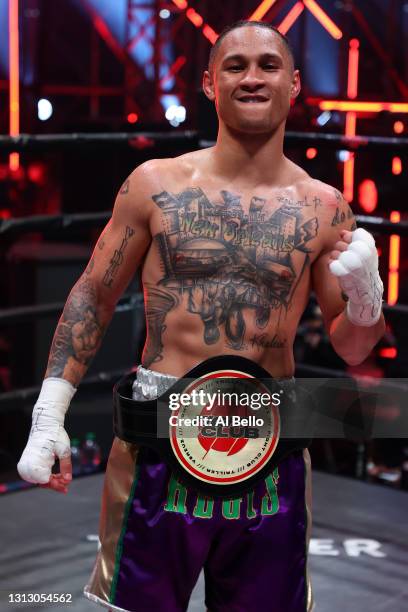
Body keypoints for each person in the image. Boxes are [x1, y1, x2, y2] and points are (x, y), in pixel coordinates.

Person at [17, 20, 385, 612]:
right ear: (210, 84)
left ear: (294, 84)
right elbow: (93, 295)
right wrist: (48, 413)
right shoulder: (154, 184)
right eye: (235, 66)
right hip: (158, 447)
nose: (252, 77)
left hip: (272, 449)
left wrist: (368, 298)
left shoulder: (324, 207)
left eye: (268, 65)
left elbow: (353, 348)